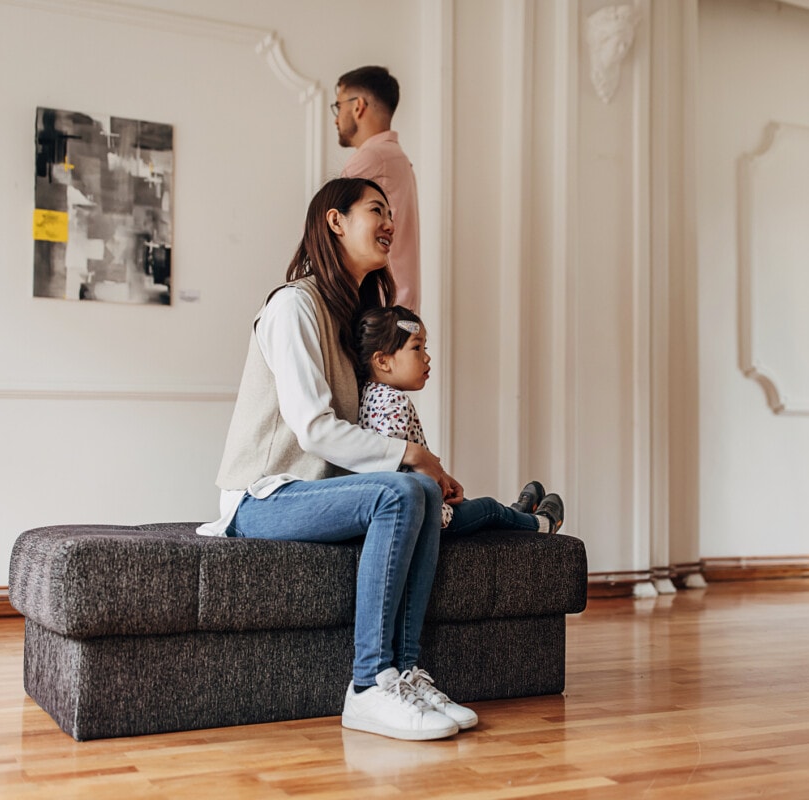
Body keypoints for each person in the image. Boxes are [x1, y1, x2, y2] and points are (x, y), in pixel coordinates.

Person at [197, 177, 475, 741]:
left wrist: (421, 470)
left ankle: (405, 674)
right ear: (335, 221)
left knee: (415, 490)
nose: (390, 222)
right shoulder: (294, 306)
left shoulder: (348, 313)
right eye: (377, 210)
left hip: (311, 494)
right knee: (403, 486)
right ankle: (368, 687)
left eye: (390, 212)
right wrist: (412, 454)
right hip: (261, 498)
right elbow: (315, 429)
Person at [355, 305, 565, 535]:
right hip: (425, 515)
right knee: (489, 509)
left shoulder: (370, 394)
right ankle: (541, 524)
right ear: (383, 361)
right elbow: (395, 472)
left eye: (425, 347)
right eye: (416, 347)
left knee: (475, 508)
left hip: (424, 506)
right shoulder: (393, 402)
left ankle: (518, 514)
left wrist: (441, 478)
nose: (427, 356)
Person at [335, 66, 421, 312]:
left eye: (338, 106)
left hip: (376, 309)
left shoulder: (371, 158)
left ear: (358, 106)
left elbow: (333, 232)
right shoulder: (398, 159)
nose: (336, 118)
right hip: (396, 308)